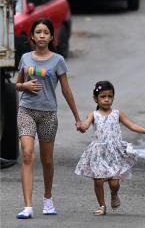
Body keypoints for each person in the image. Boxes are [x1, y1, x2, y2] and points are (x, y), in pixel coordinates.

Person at [15, 18, 83, 219]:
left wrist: (77, 118)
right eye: (38, 32)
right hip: (26, 110)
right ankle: (27, 206)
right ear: (33, 37)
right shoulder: (25, 58)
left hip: (48, 115)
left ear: (52, 37)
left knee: (47, 161)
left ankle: (47, 198)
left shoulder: (58, 60)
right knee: (27, 154)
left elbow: (66, 90)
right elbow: (17, 84)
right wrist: (24, 86)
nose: (42, 35)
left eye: (46, 32)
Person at [75, 81, 145, 216]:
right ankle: (101, 205)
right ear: (96, 98)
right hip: (98, 153)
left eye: (110, 96)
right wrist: (81, 127)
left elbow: (131, 125)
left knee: (114, 183)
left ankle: (114, 193)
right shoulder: (93, 115)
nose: (107, 99)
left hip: (114, 152)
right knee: (98, 180)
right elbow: (85, 125)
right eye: (103, 96)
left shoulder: (117, 114)